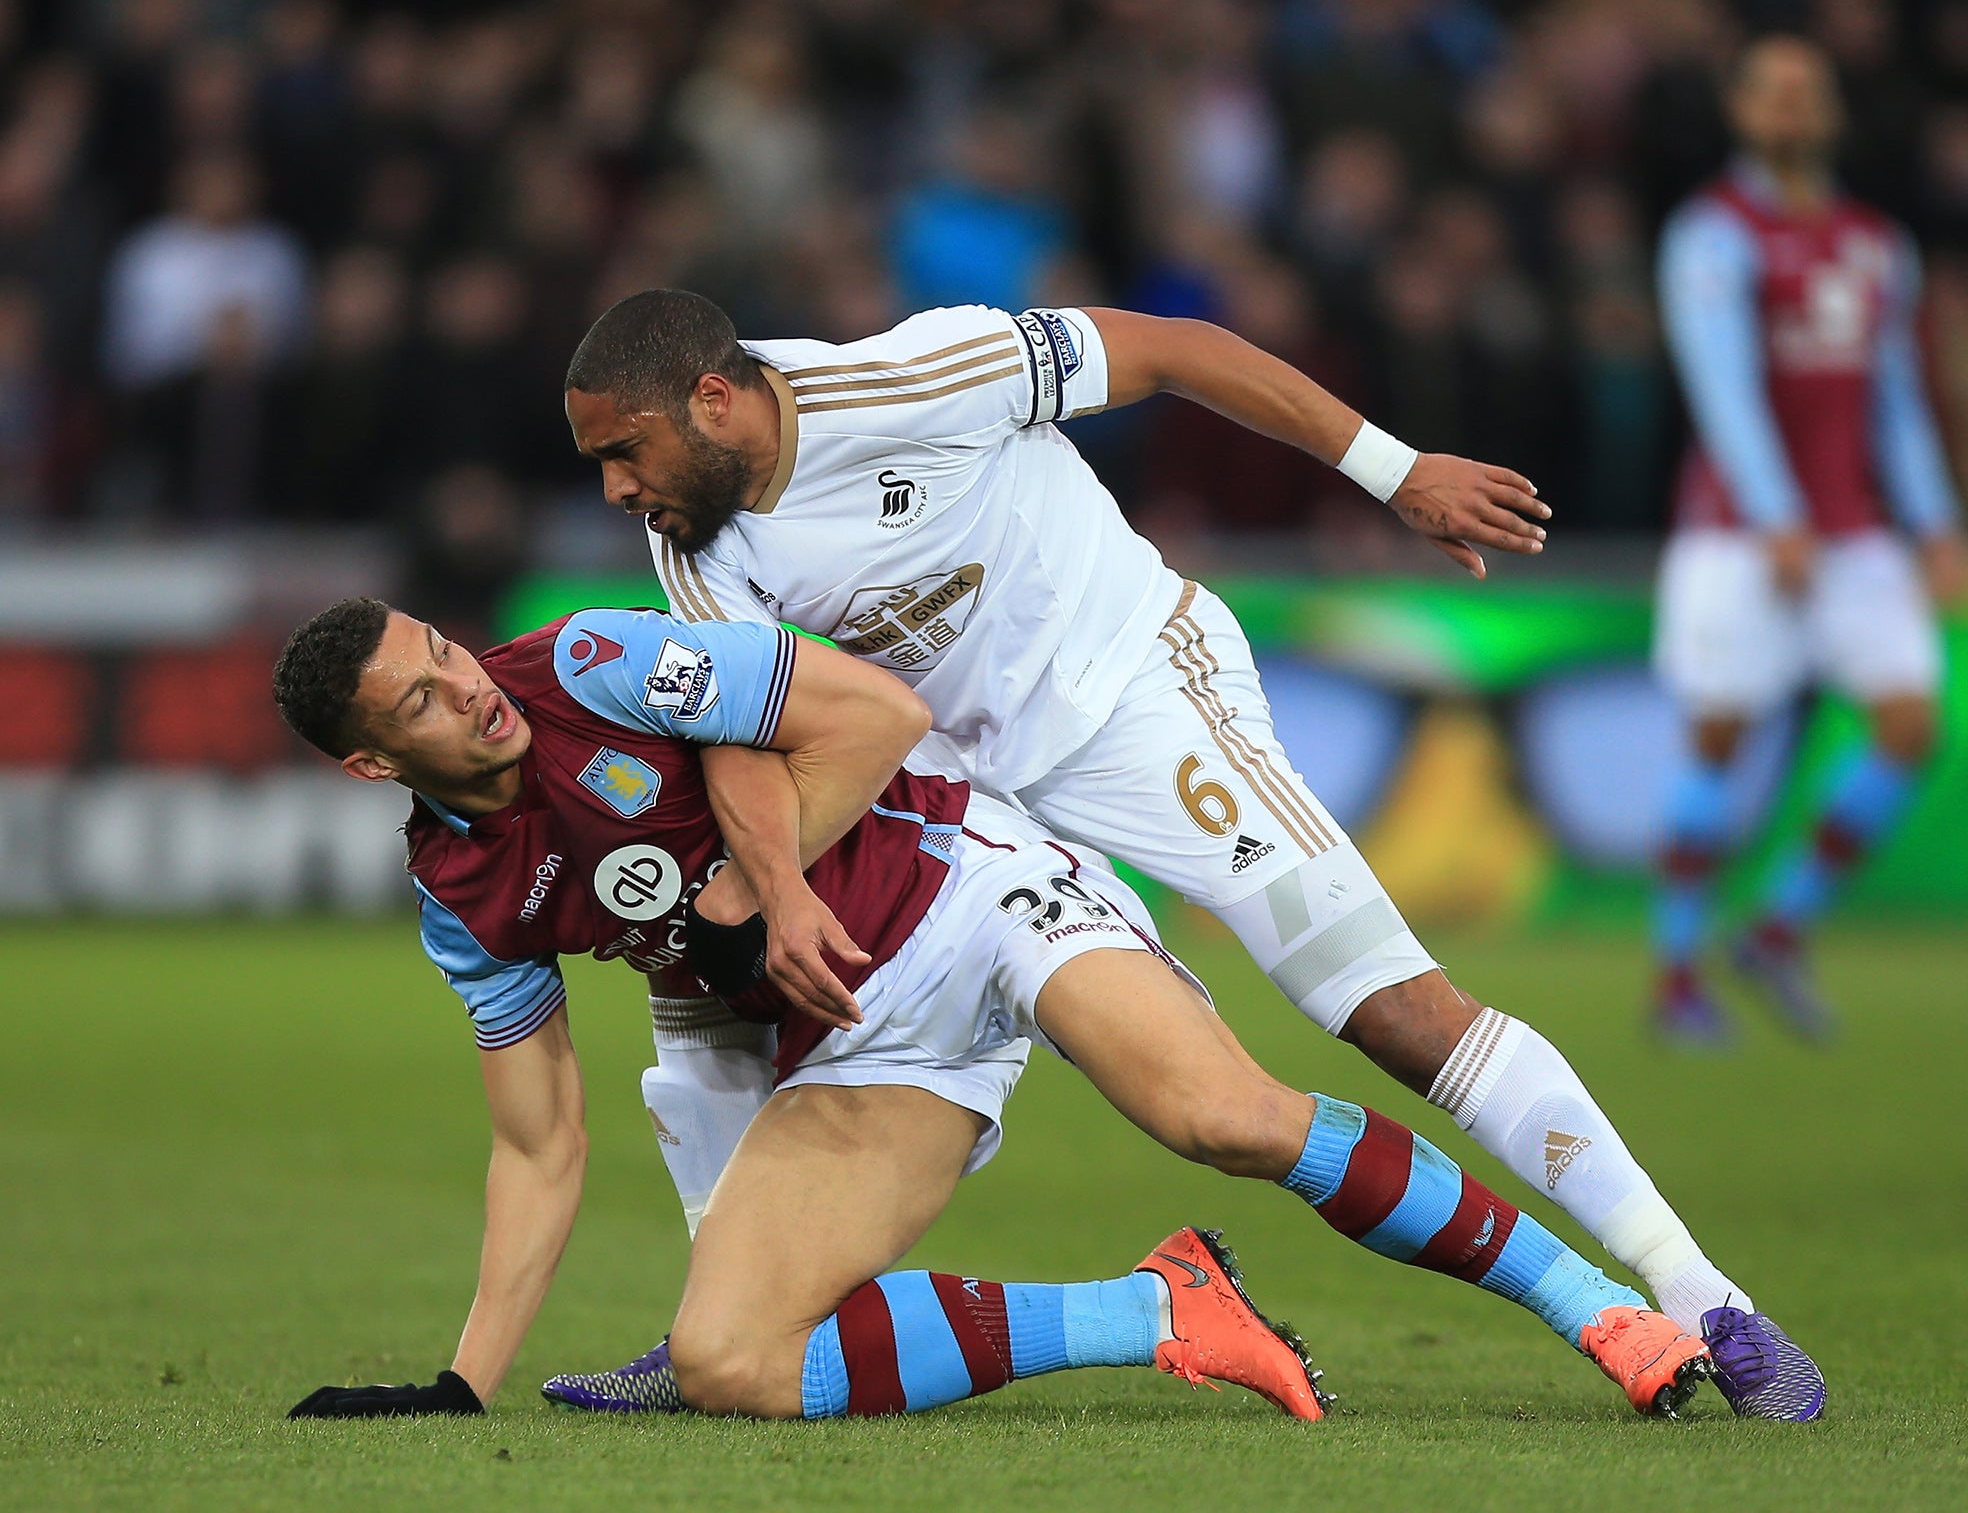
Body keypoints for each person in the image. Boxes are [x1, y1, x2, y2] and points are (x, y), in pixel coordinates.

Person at [558, 290, 1822, 1420]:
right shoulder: (694, 538)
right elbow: (747, 713)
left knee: (1386, 1011)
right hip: (966, 800)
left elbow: (1173, 350)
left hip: (1132, 704)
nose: (616, 490)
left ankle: (1697, 1293)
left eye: (626, 452)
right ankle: (717, 1318)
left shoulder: (921, 372)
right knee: (715, 959)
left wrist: (1392, 470)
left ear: (715, 398)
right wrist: (767, 894)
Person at [272, 598, 1725, 1423]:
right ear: (369, 764)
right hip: (861, 1031)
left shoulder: (590, 659)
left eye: (444, 654)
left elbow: (867, 716)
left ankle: (1602, 1311)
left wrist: (768, 895)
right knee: (731, 1359)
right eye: (418, 702)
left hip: (975, 886)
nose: (465, 692)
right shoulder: (465, 898)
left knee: (1218, 1115)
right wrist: (463, 1387)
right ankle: (1163, 1309)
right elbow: (536, 1146)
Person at [1652, 36, 1968, 1045]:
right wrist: (1773, 509)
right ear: (1741, 111)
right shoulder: (1710, 235)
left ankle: (1777, 928)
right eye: (1772, 95)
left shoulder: (1875, 242)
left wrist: (1934, 526)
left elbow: (1895, 404)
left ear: (1827, 112)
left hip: (1855, 531)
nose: (1790, 112)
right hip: (1740, 534)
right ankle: (1675, 976)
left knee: (1908, 725)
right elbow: (1721, 382)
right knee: (1718, 735)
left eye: (1806, 94)